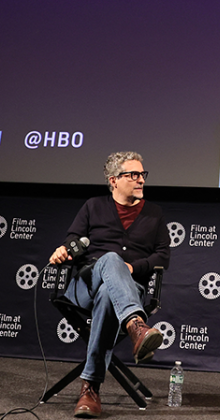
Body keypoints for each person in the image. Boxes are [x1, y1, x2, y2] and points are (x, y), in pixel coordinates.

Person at [48, 151, 170, 418]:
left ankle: (90, 388)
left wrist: (132, 268)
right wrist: (63, 250)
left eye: (142, 175)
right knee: (110, 260)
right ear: (114, 180)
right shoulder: (93, 206)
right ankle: (135, 324)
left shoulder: (154, 213)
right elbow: (73, 241)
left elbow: (162, 256)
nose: (141, 180)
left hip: (129, 287)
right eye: (133, 175)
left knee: (108, 293)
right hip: (85, 285)